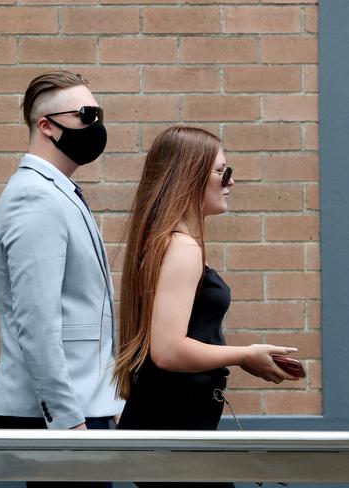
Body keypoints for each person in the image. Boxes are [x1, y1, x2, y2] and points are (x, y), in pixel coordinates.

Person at [114, 126, 300, 487]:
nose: (230, 181)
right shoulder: (183, 248)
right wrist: (244, 355)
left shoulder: (165, 242)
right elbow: (167, 351)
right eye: (222, 171)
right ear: (189, 177)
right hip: (175, 432)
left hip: (168, 428)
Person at [0, 70, 124, 488]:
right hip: (60, 416)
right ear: (46, 125)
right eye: (86, 114)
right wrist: (67, 421)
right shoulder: (35, 197)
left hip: (84, 405)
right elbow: (37, 322)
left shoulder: (57, 190)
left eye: (98, 113)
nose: (96, 125)